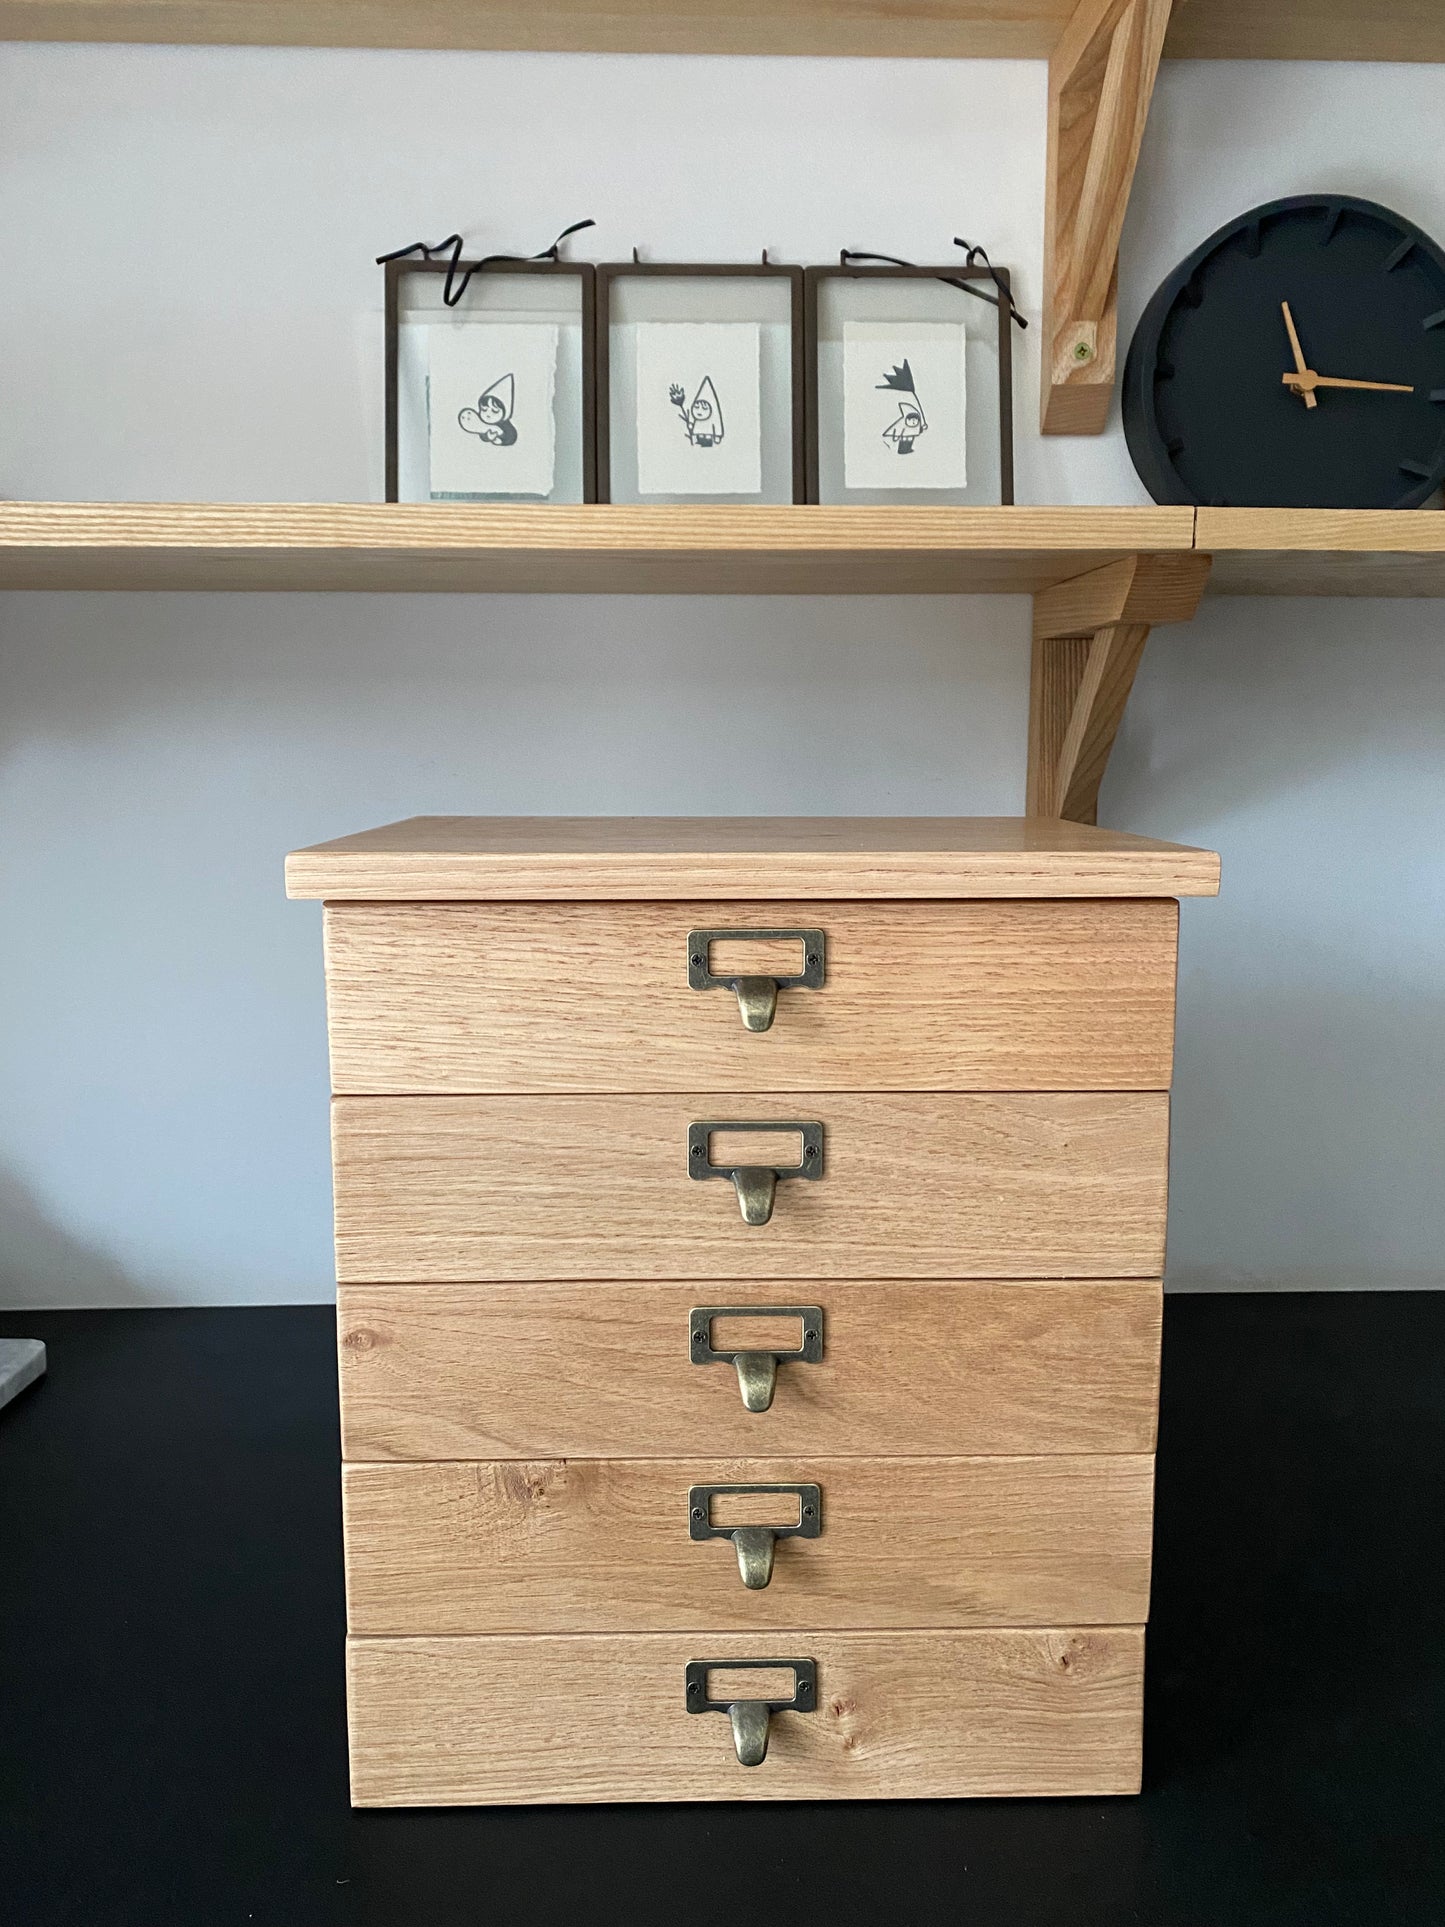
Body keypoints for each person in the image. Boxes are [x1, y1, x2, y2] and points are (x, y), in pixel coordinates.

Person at [459, 372, 518, 446]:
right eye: (484, 410)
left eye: (494, 411)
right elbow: (482, 434)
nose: (488, 414)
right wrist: (487, 437)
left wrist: (500, 441)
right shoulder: (482, 424)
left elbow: (511, 437)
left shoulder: (506, 426)